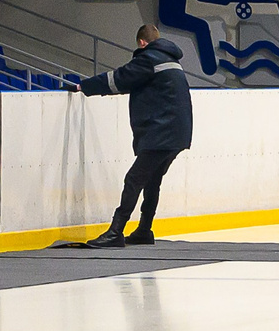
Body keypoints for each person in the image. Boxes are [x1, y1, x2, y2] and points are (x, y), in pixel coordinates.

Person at [74, 24, 193, 247]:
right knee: (152, 181)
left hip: (162, 132)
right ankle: (144, 230)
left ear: (141, 42)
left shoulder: (150, 58)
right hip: (177, 133)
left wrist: (84, 87)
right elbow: (139, 84)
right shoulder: (172, 61)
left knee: (134, 179)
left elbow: (120, 78)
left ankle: (116, 231)